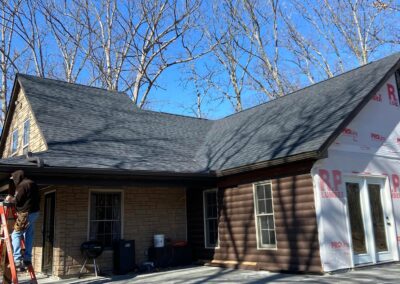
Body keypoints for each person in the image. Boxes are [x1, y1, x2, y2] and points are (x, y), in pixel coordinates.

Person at [5, 170, 40, 270]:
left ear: (17, 177)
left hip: (25, 214)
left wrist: (10, 199)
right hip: (35, 212)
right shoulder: (33, 183)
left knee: (16, 234)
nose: (13, 181)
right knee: (29, 234)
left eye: (13, 179)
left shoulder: (22, 185)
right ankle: (27, 259)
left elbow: (17, 200)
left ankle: (17, 259)